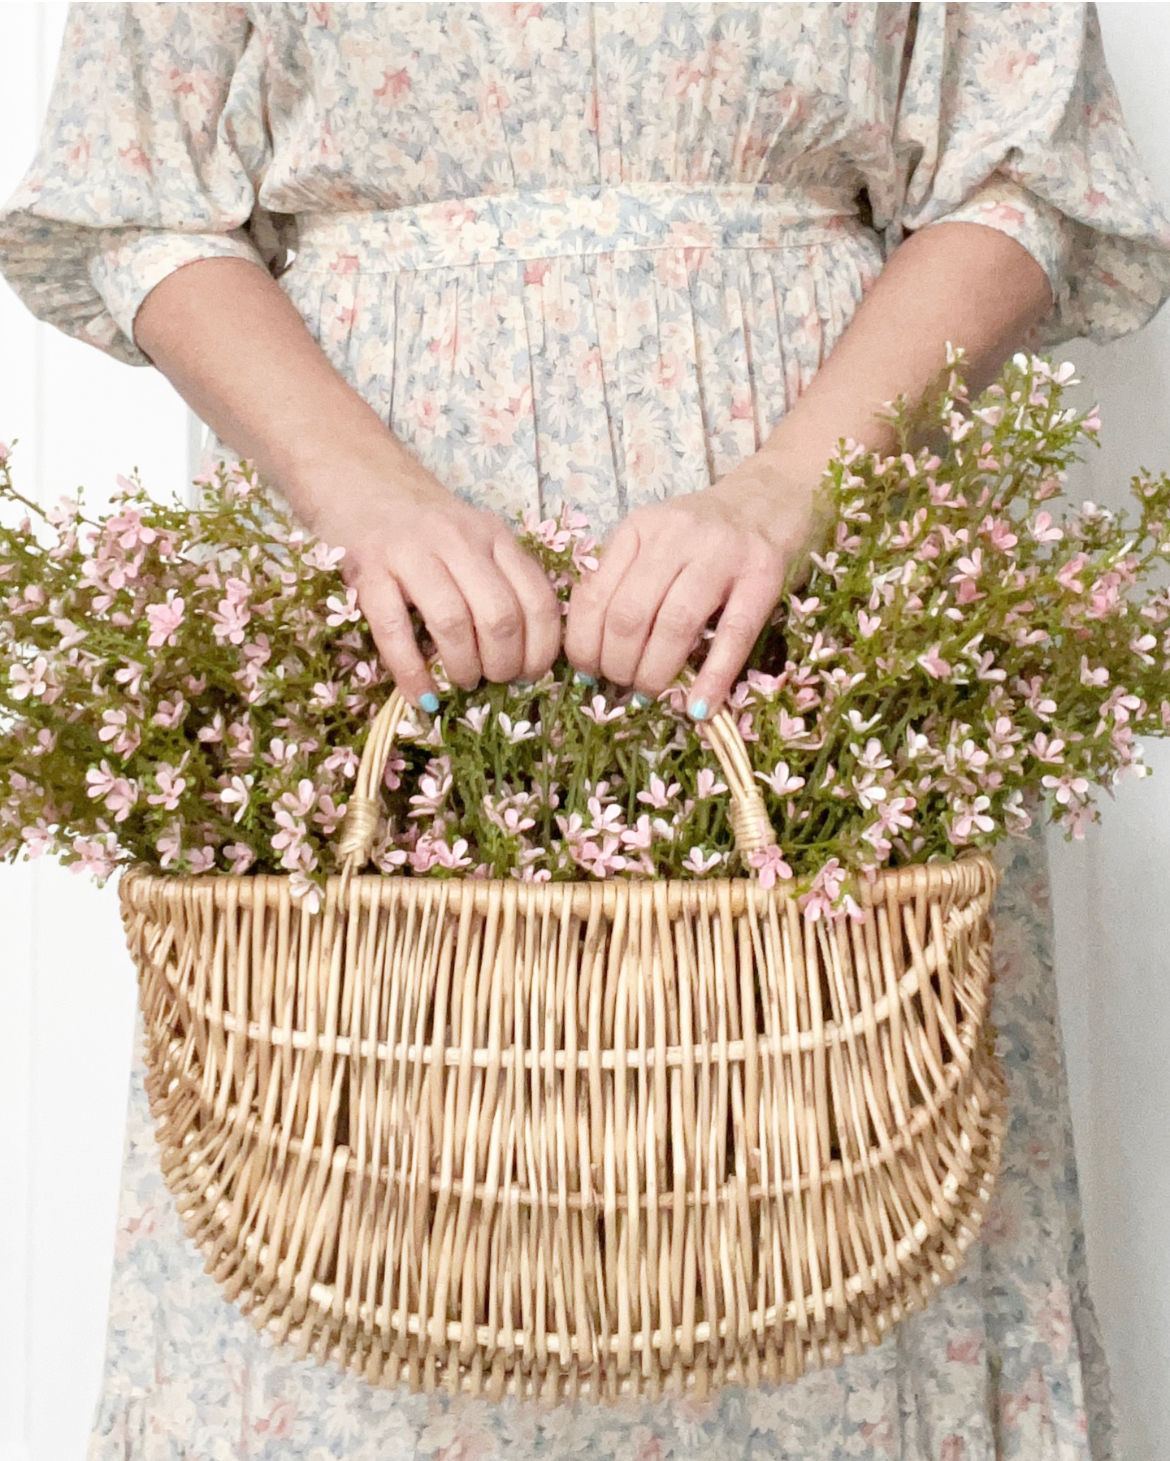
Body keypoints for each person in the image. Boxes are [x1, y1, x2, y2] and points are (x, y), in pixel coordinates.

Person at [2, 2, 1169, 1456]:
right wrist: (364, 500)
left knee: (846, 1204)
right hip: (370, 588)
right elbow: (141, 185)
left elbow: (1025, 170)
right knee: (352, 1216)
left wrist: (781, 495)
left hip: (807, 603)